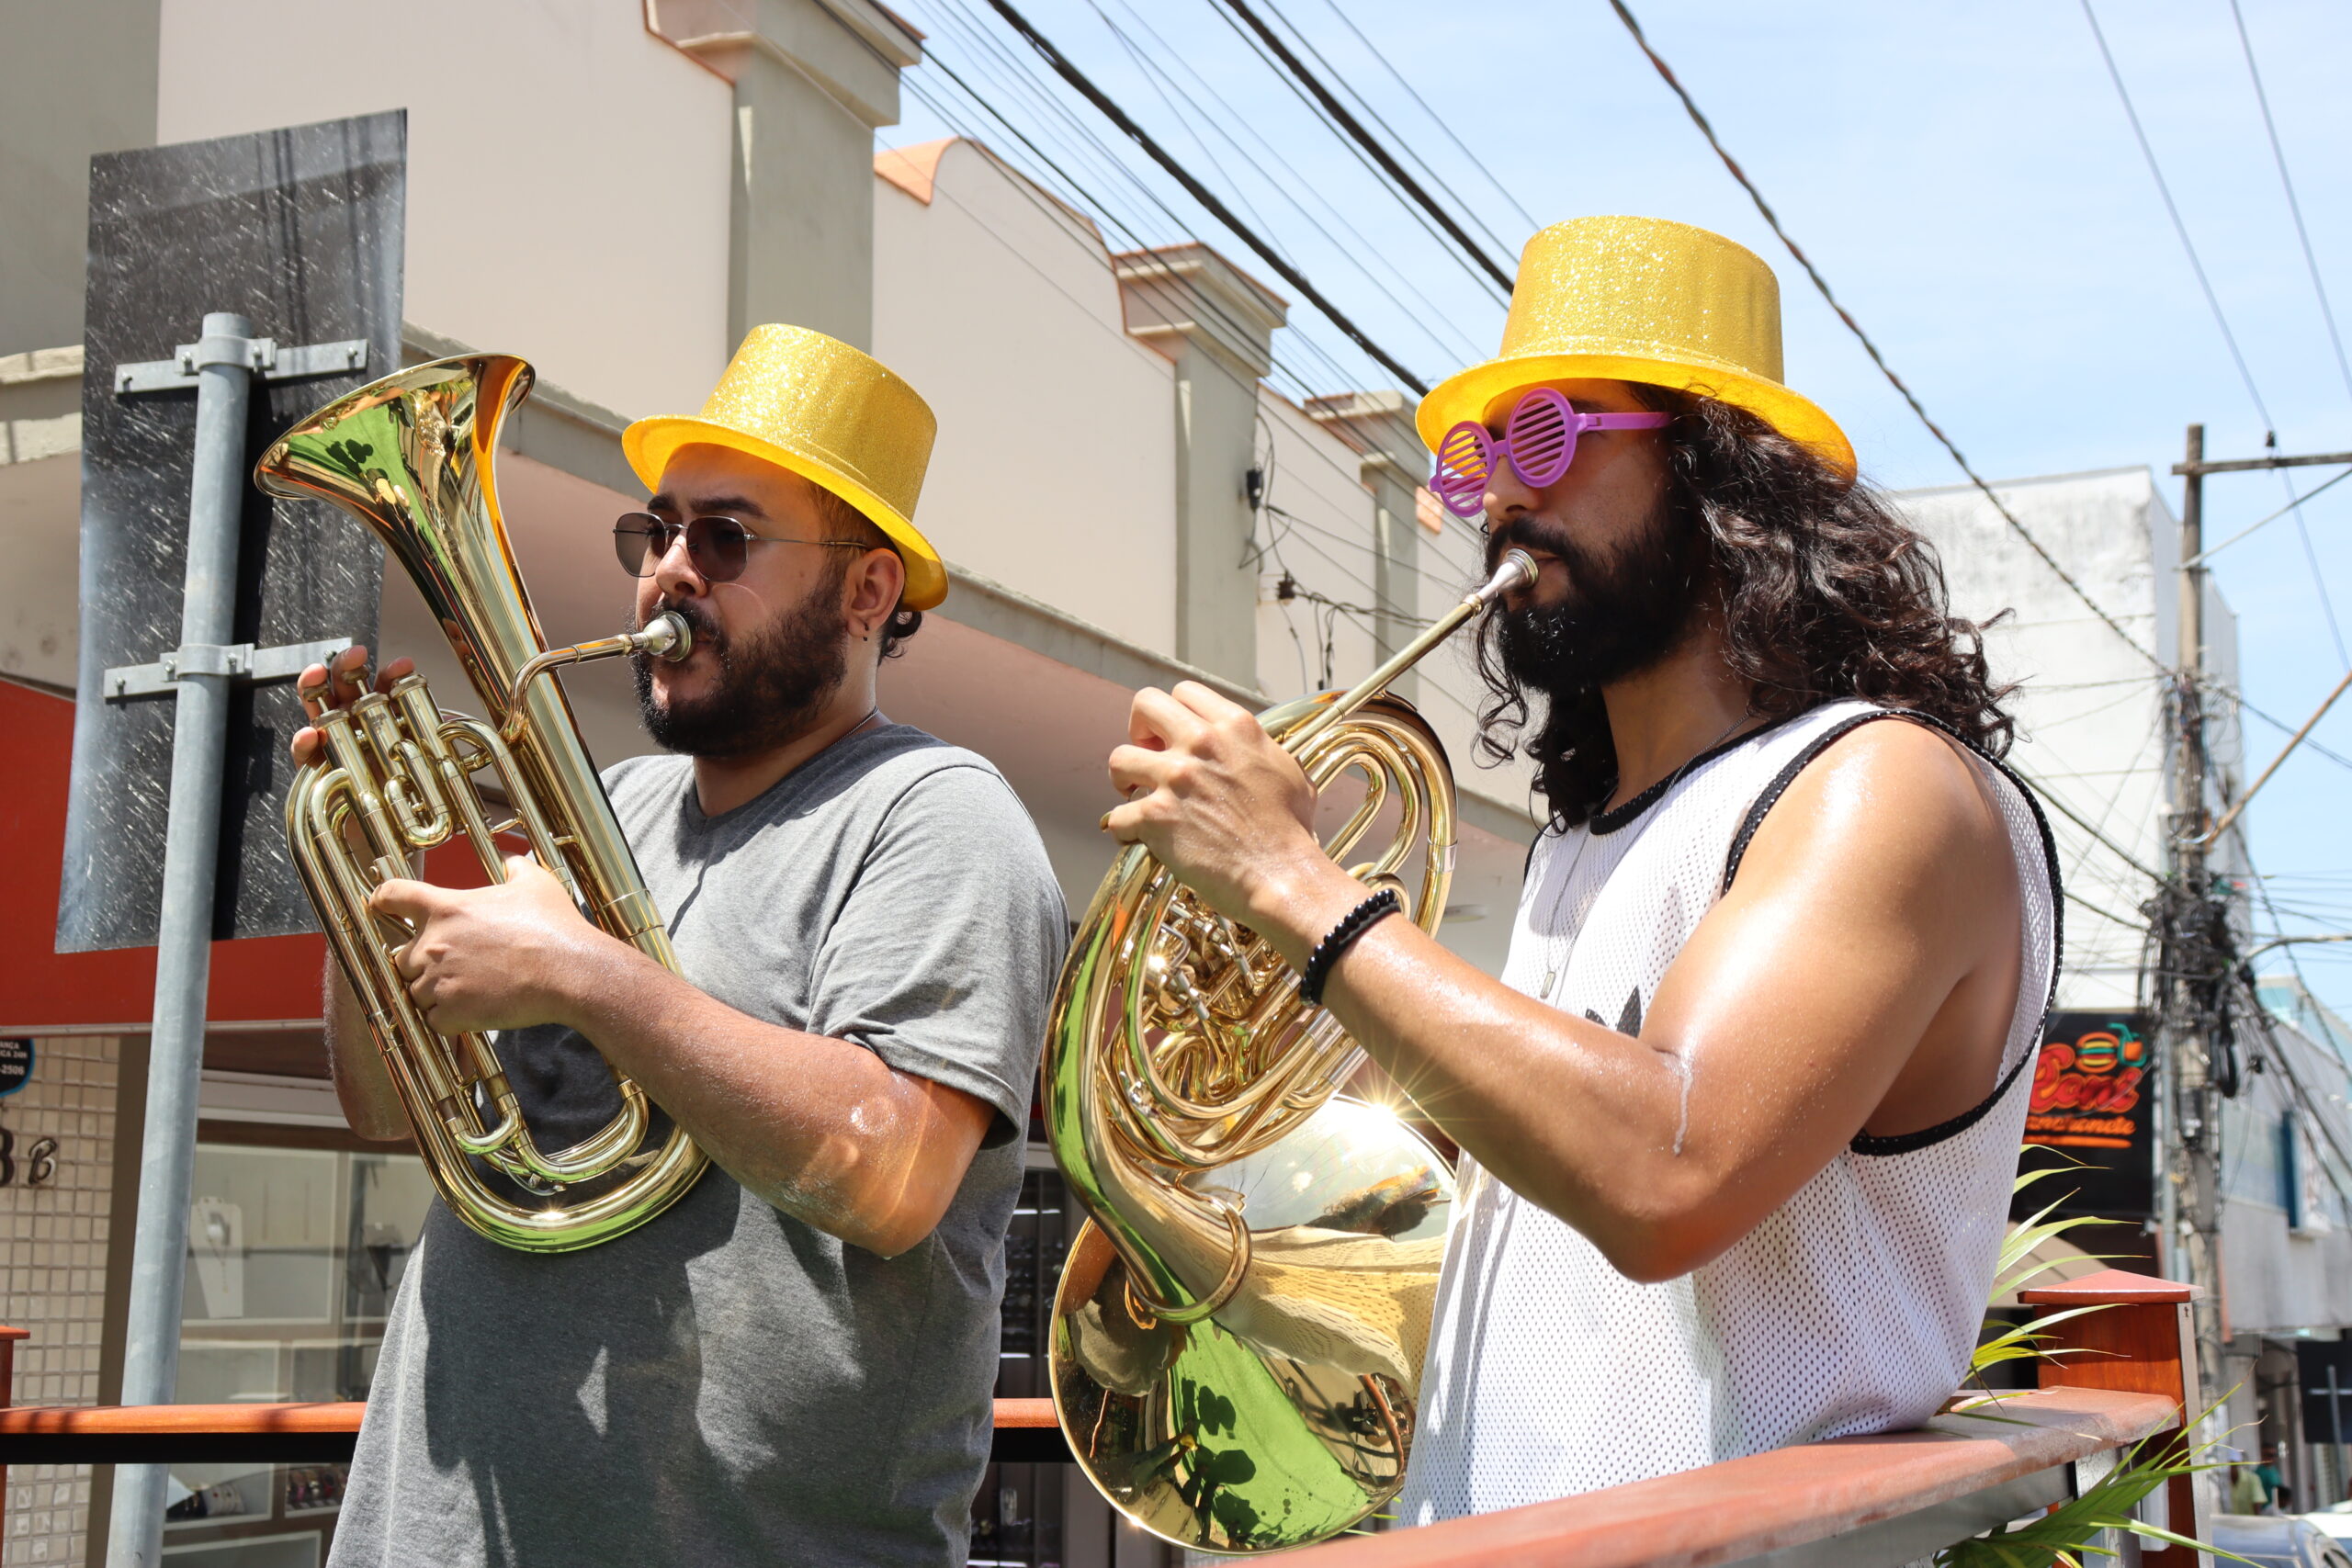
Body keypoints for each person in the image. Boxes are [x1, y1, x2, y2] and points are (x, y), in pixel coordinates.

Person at [1099, 216, 2060, 1518]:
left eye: (1546, 437)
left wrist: (1292, 883)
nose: (1501, 497)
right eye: (1477, 462)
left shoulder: (1878, 787)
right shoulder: (1584, 846)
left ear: (1730, 472)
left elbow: (1669, 1173)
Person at [297, 326, 1068, 1566]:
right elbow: (393, 1113)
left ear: (867, 591)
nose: (666, 572)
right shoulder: (612, 808)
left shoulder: (937, 818)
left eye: (725, 539)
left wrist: (584, 974)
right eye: (652, 533)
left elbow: (889, 1177)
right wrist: (369, 885)